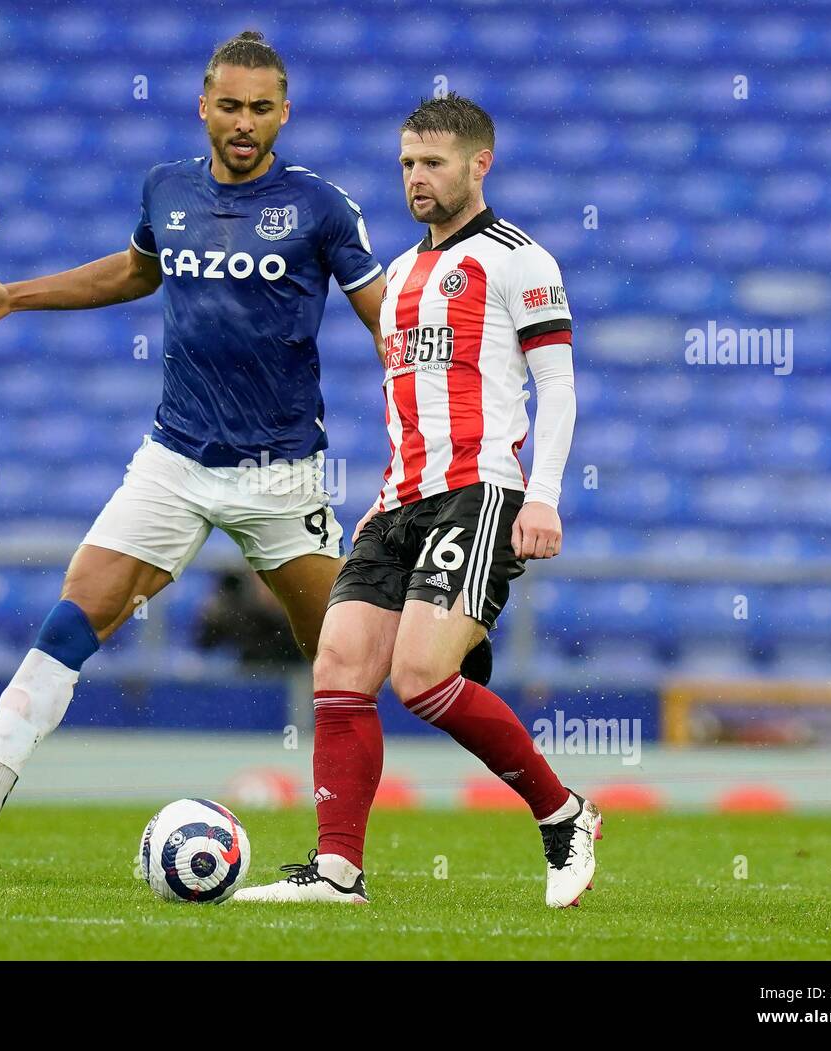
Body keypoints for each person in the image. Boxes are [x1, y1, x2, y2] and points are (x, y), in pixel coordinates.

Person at [0, 32, 491, 875]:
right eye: (229, 106)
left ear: (283, 113)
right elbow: (140, 272)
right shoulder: (166, 189)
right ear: (203, 107)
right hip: (172, 460)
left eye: (260, 108)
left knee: (354, 655)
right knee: (78, 609)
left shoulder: (320, 206)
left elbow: (387, 322)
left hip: (282, 474)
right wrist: (16, 296)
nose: (243, 122)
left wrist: (438, 429)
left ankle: (400, 753)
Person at [234, 94, 601, 909]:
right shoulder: (397, 276)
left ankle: (563, 813)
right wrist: (382, 494)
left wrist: (542, 498)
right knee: (337, 665)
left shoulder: (519, 260)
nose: (416, 178)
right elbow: (412, 400)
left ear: (480, 165)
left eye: (433, 162)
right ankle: (338, 872)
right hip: (401, 500)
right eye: (406, 163)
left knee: (422, 677)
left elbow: (559, 386)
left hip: (482, 494)